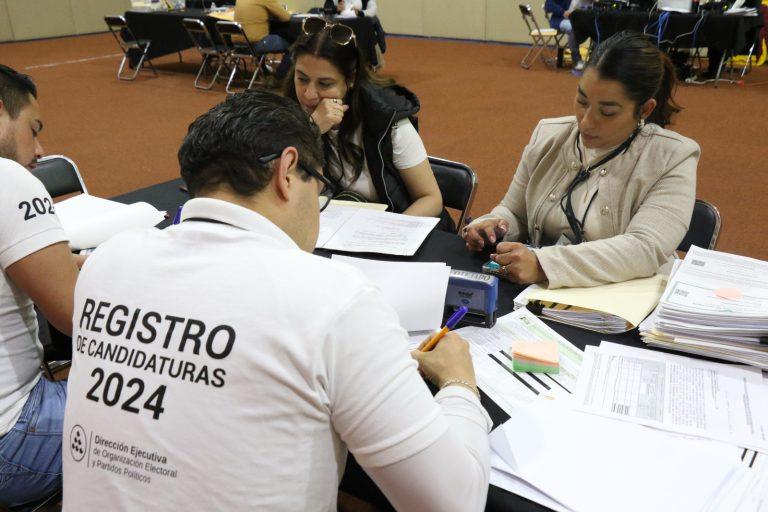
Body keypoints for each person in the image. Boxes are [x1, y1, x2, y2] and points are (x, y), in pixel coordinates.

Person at [62, 90, 491, 511]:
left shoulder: (107, 262)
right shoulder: (336, 298)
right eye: (319, 186)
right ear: (287, 171)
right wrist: (458, 383)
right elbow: (453, 503)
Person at [462, 31, 699, 289]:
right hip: (542, 296)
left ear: (644, 110)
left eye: (607, 112)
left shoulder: (673, 156)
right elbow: (515, 211)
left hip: (622, 304)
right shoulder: (549, 134)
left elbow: (644, 249)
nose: (586, 121)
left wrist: (543, 264)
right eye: (581, 101)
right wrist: (493, 226)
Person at [0, 65, 81, 507]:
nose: (39, 150)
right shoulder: (9, 178)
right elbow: (75, 317)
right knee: (171, 396)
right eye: (33, 129)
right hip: (11, 440)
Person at [283, 18, 445, 222]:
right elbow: (283, 185)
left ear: (350, 79)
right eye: (302, 78)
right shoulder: (289, 111)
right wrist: (312, 130)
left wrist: (387, 232)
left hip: (396, 225)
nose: (309, 94)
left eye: (325, 84)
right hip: (338, 226)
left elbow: (431, 199)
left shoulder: (387, 119)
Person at [234, 0, 293, 76]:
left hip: (238, 46)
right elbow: (286, 17)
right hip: (256, 45)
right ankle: (280, 76)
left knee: (266, 34)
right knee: (295, 44)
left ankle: (266, 73)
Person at [544, 0, 584, 71]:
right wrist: (562, 12)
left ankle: (594, 58)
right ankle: (576, 59)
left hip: (579, 20)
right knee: (572, 27)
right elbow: (548, 4)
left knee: (592, 26)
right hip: (560, 20)